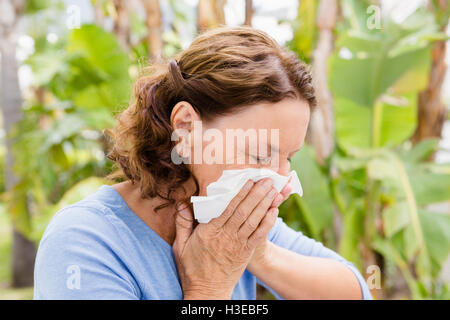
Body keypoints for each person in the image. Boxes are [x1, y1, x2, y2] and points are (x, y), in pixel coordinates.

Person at [34, 26, 372, 300]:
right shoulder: (85, 241)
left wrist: (259, 256)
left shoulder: (229, 221)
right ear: (185, 127)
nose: (281, 181)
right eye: (259, 155)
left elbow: (355, 292)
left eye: (288, 158)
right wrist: (208, 290)